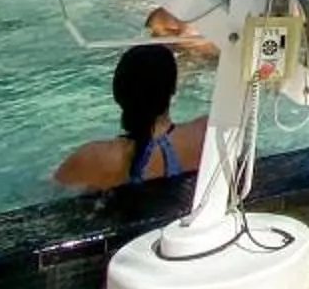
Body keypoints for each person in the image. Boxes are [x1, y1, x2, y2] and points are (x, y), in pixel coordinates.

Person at [54, 44, 208, 190]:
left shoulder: (93, 157)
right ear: (173, 89)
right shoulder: (204, 135)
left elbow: (51, 193)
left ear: (118, 94)